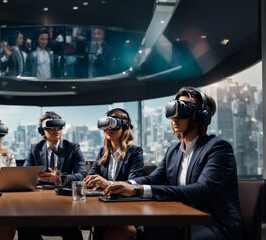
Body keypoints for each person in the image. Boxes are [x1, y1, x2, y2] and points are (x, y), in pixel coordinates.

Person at [103, 87, 243, 240]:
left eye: (182, 111)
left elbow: (201, 190)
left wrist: (137, 189)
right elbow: (153, 179)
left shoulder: (218, 148)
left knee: (135, 233)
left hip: (213, 225)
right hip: (179, 218)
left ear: (201, 117)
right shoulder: (173, 150)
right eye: (173, 111)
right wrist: (124, 185)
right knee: (118, 230)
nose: (175, 118)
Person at [19, 111, 87, 240]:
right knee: (24, 225)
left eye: (59, 127)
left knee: (70, 226)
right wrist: (35, 177)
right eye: (51, 127)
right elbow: (25, 174)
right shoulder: (35, 148)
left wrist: (61, 179)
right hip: (38, 201)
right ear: (42, 130)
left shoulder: (73, 148)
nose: (56, 130)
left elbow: (82, 174)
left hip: (64, 201)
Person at [84, 108, 144, 240]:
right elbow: (91, 177)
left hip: (125, 211)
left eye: (113, 126)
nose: (108, 129)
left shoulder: (134, 152)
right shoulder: (103, 152)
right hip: (103, 207)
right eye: (106, 126)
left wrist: (108, 184)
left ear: (124, 128)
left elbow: (134, 183)